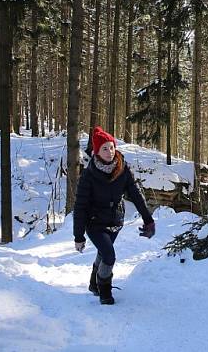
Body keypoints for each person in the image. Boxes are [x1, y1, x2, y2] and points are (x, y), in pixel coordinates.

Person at [73, 126, 155, 305]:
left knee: (104, 252)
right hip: (94, 223)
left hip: (115, 221)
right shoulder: (88, 175)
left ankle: (93, 284)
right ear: (97, 151)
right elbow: (79, 207)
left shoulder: (122, 169)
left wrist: (148, 220)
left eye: (111, 147)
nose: (109, 152)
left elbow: (136, 194)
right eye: (104, 148)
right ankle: (104, 291)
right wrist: (78, 236)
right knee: (109, 256)